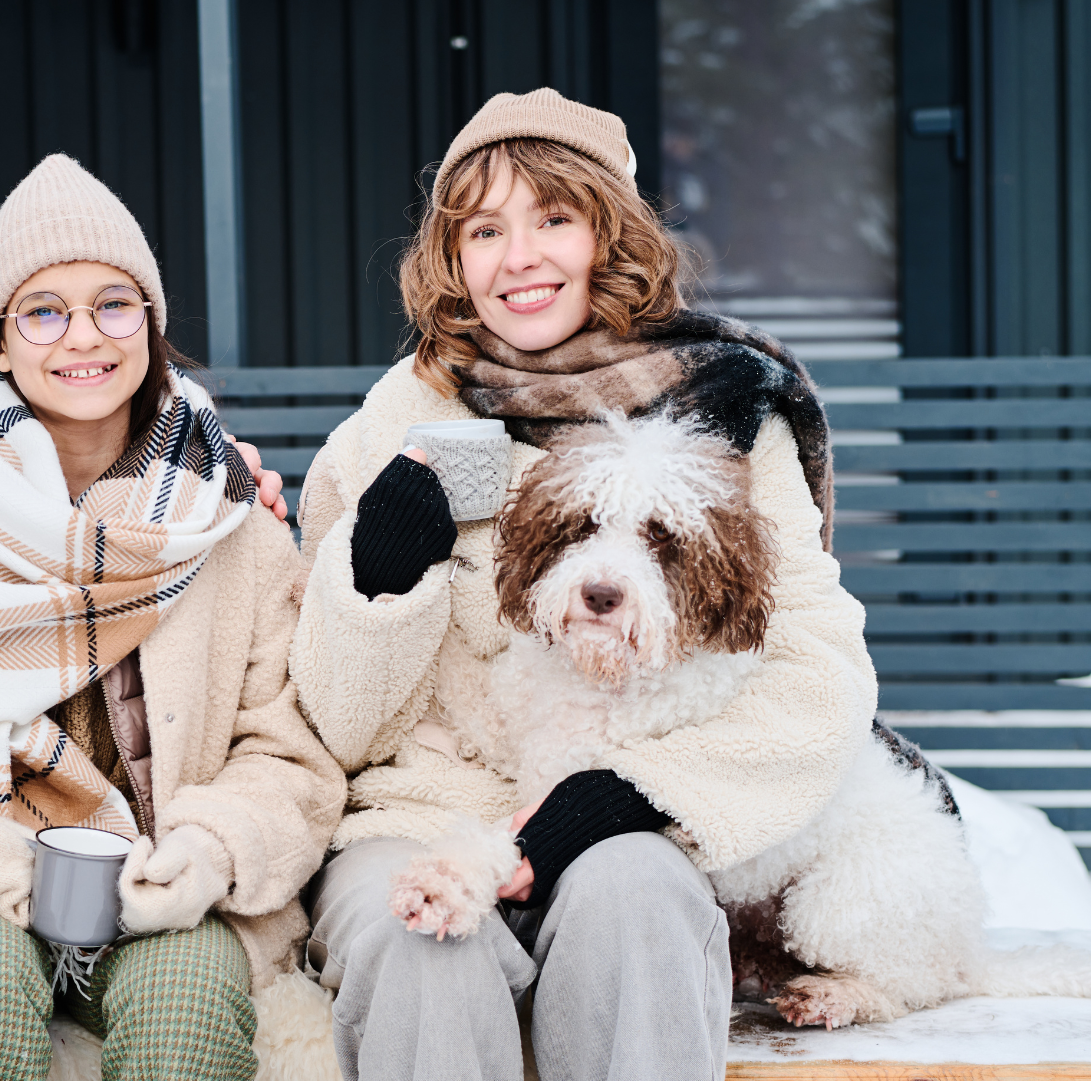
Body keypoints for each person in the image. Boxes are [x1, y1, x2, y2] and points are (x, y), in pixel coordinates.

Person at [289, 89, 879, 1081]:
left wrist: (633, 796)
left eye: (553, 218)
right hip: (421, 820)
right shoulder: (395, 424)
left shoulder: (722, 408)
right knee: (423, 938)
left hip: (624, 818)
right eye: (484, 229)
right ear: (453, 257)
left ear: (611, 237)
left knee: (638, 900)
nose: (518, 257)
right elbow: (333, 728)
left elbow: (818, 678)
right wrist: (383, 577)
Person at [0, 154, 345, 1081]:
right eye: (44, 310)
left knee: (186, 1010)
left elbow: (286, 749)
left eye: (114, 304)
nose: (82, 336)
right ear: (1, 342)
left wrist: (209, 852)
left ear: (151, 323)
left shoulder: (227, 522)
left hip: (169, 894)